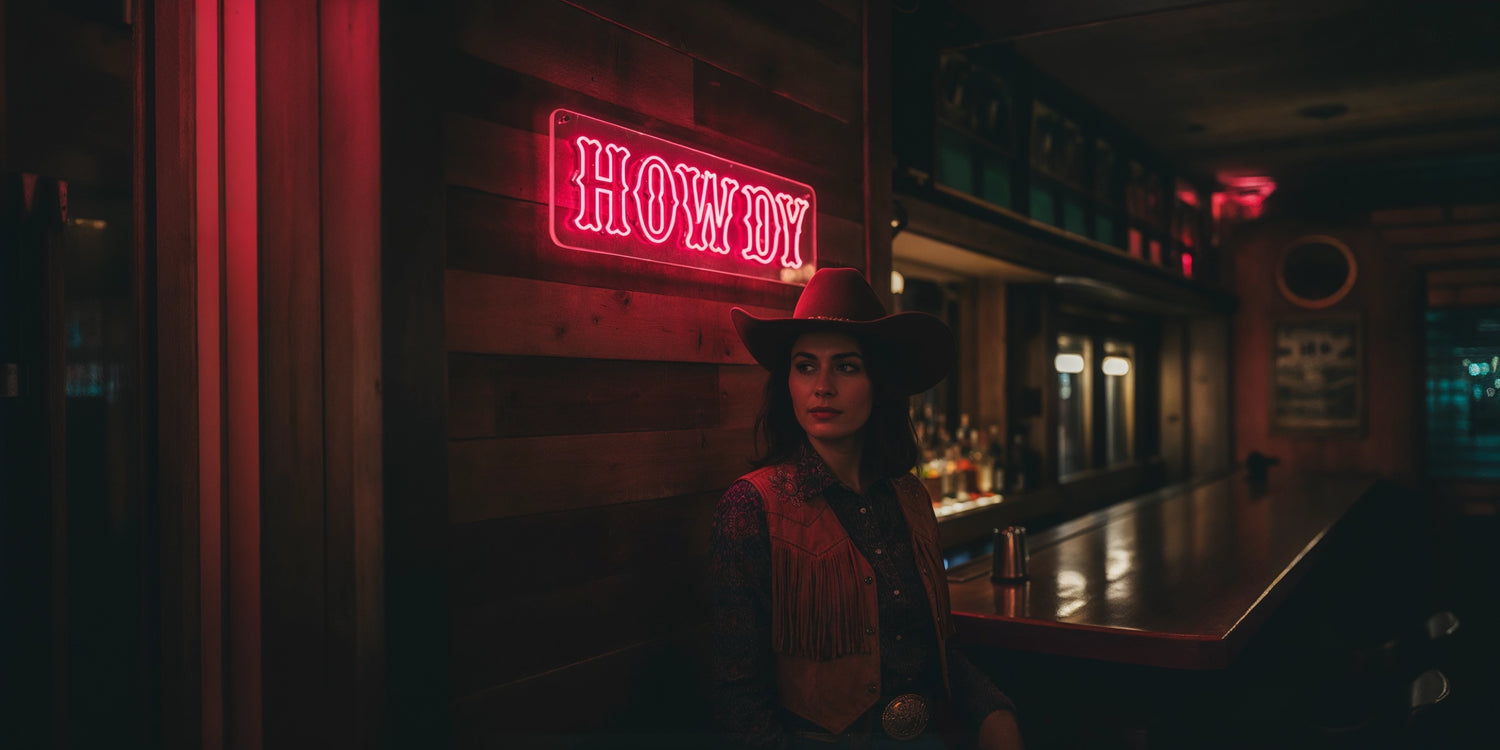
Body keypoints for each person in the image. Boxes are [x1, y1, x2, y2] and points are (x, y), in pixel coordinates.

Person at [710, 267, 1024, 749]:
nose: (823, 386)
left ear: (879, 384)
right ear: (787, 382)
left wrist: (994, 712)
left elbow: (936, 651)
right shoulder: (752, 506)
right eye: (805, 365)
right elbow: (739, 700)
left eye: (847, 366)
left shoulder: (909, 497)